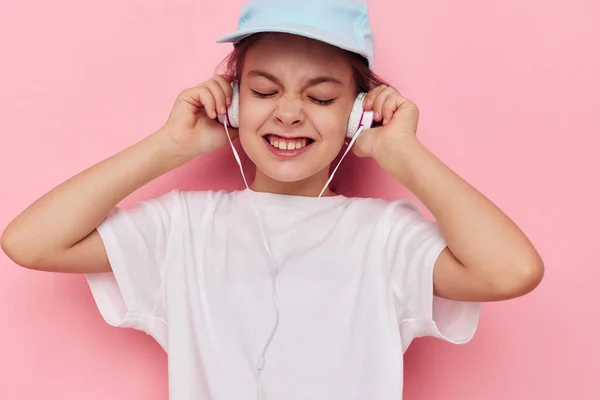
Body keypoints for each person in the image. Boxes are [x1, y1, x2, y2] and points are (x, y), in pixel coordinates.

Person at [0, 0, 544, 399]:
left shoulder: (385, 236)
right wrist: (169, 146)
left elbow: (511, 271)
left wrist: (403, 153)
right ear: (233, 104)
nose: (288, 113)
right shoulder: (185, 228)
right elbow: (29, 243)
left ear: (358, 111)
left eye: (322, 96)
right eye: (263, 92)